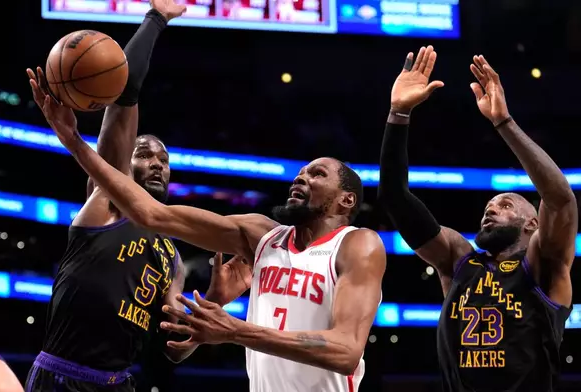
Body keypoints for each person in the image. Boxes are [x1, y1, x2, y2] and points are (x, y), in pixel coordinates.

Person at [32, 78, 386, 392]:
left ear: (346, 200)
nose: (301, 178)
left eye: (317, 174)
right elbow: (152, 213)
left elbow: (345, 350)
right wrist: (74, 141)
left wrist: (235, 330)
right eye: (301, 172)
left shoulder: (357, 244)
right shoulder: (261, 235)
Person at [23, 2, 207, 391]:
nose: (157, 163)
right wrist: (156, 19)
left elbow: (175, 347)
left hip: (118, 382)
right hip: (64, 376)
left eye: (164, 159)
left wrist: (218, 299)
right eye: (144, 154)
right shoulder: (107, 201)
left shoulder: (172, 257)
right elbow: (125, 96)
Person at [378, 46, 577, 391]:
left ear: (533, 223)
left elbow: (559, 201)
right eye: (489, 206)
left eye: (506, 205)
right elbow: (395, 199)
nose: (491, 208)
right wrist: (398, 114)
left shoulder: (542, 264)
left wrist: (504, 123)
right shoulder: (458, 258)